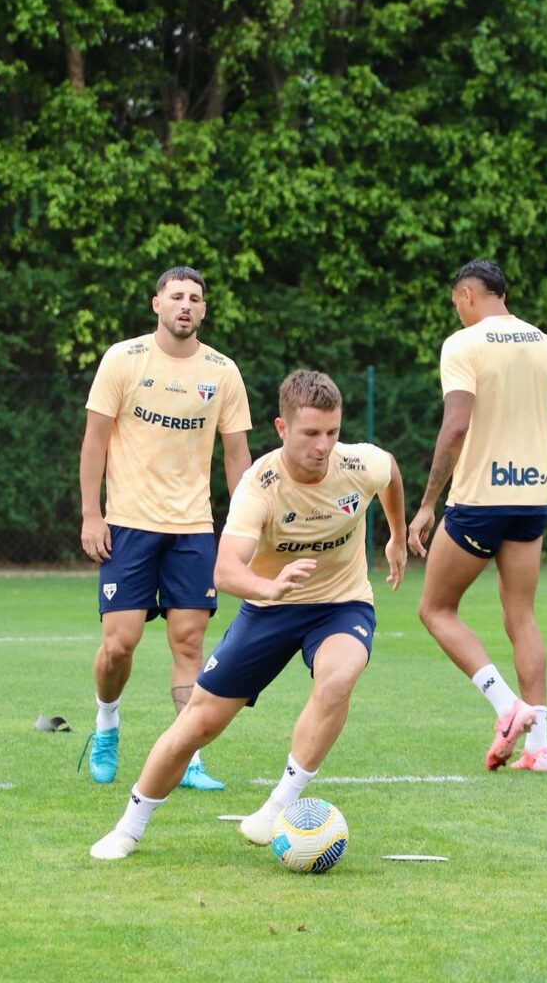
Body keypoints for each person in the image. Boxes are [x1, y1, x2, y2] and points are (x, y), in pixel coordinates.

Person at [89, 369, 407, 859]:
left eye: (332, 432)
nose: (324, 446)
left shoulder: (358, 463)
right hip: (268, 610)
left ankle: (278, 805)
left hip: (341, 605)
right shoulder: (260, 486)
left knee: (337, 679)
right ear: (282, 428)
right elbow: (225, 571)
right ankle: (128, 828)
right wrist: (270, 586)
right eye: (310, 434)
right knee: (197, 725)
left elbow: (392, 474)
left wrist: (397, 539)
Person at [407, 259, 547, 773]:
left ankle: (506, 706)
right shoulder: (544, 344)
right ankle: (541, 748)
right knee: (522, 616)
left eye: (456, 303)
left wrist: (426, 505)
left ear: (467, 295)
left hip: (479, 502)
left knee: (436, 610)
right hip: (532, 501)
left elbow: (455, 426)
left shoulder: (463, 344)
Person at [79, 265, 252, 790]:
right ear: (156, 304)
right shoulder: (123, 359)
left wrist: (245, 526)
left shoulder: (223, 372)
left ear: (203, 310)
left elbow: (238, 456)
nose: (186, 304)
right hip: (127, 525)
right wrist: (92, 513)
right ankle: (107, 723)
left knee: (189, 642)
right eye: (176, 295)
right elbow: (94, 443)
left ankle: (186, 757)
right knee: (120, 643)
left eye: (195, 298)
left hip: (193, 528)